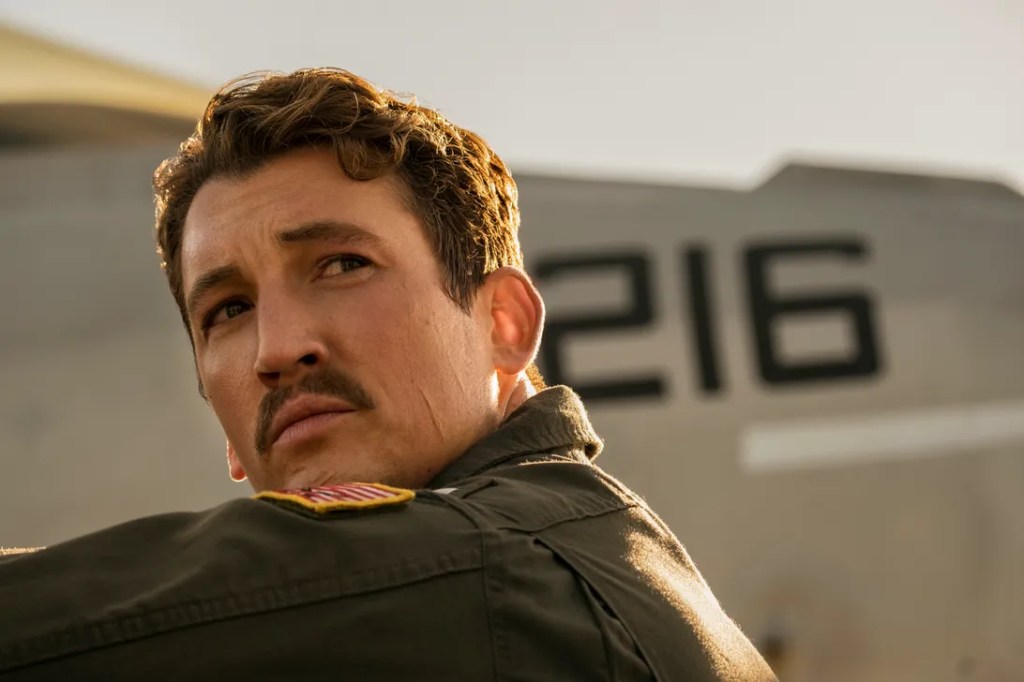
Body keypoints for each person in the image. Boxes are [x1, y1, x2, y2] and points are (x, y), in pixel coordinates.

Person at [0, 69, 776, 681]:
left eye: (343, 264)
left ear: (504, 324)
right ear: (226, 433)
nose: (277, 349)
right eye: (228, 310)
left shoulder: (501, 572)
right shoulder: (585, 554)